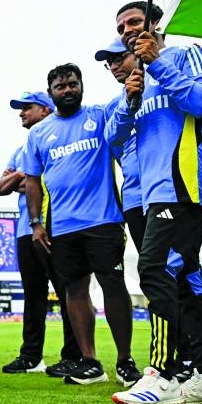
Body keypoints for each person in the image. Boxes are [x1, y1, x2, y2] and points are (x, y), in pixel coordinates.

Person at [105, 0, 202, 404]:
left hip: (178, 188)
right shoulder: (134, 83)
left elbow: (201, 105)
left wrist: (158, 62)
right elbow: (115, 141)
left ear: (155, 23)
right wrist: (131, 100)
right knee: (185, 281)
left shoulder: (184, 56)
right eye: (121, 25)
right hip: (147, 196)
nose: (127, 30)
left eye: (134, 22)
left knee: (154, 270)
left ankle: (163, 375)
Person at [23, 64, 140, 387]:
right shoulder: (38, 133)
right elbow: (32, 180)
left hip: (104, 220)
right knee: (74, 290)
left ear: (82, 85)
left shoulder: (100, 115)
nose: (68, 90)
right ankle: (90, 362)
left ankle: (125, 361)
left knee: (113, 285)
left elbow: (127, 106)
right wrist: (36, 223)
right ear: (50, 93)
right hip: (62, 227)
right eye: (60, 87)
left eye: (73, 84)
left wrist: (132, 83)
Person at [0, 91, 81, 377]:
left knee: (67, 291)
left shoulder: (58, 139)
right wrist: (22, 177)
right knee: (33, 294)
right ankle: (31, 356)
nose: (21, 113)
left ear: (45, 110)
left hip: (54, 226)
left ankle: (75, 355)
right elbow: (0, 186)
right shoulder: (22, 149)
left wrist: (21, 177)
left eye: (27, 108)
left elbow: (47, 178)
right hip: (25, 228)